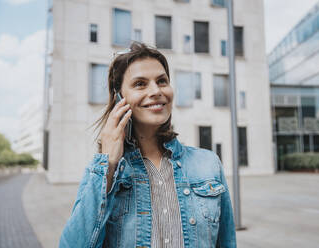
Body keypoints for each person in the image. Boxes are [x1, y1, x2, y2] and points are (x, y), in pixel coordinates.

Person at [59, 42, 237, 248]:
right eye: (140, 84)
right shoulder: (103, 172)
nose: (155, 91)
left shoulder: (208, 164)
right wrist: (108, 164)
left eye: (162, 81)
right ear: (119, 97)